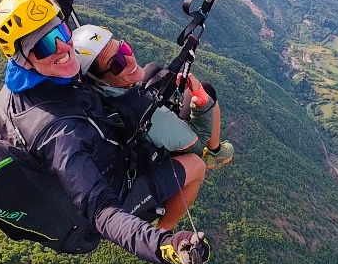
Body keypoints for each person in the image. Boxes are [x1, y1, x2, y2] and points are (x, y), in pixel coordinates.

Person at [0, 0, 208, 264]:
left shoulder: (45, 68)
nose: (62, 47)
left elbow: (57, 0)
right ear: (24, 61)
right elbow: (101, 209)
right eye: (45, 46)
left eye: (60, 34)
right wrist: (165, 246)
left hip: (103, 145)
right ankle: (166, 224)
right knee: (196, 165)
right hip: (107, 197)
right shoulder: (56, 132)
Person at [71, 24, 234, 169]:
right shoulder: (153, 116)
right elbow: (197, 145)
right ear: (99, 79)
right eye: (117, 64)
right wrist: (201, 101)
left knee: (153, 69)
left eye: (124, 49)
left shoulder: (88, 90)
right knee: (207, 90)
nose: (130, 59)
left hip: (124, 110)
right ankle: (215, 153)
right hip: (155, 145)